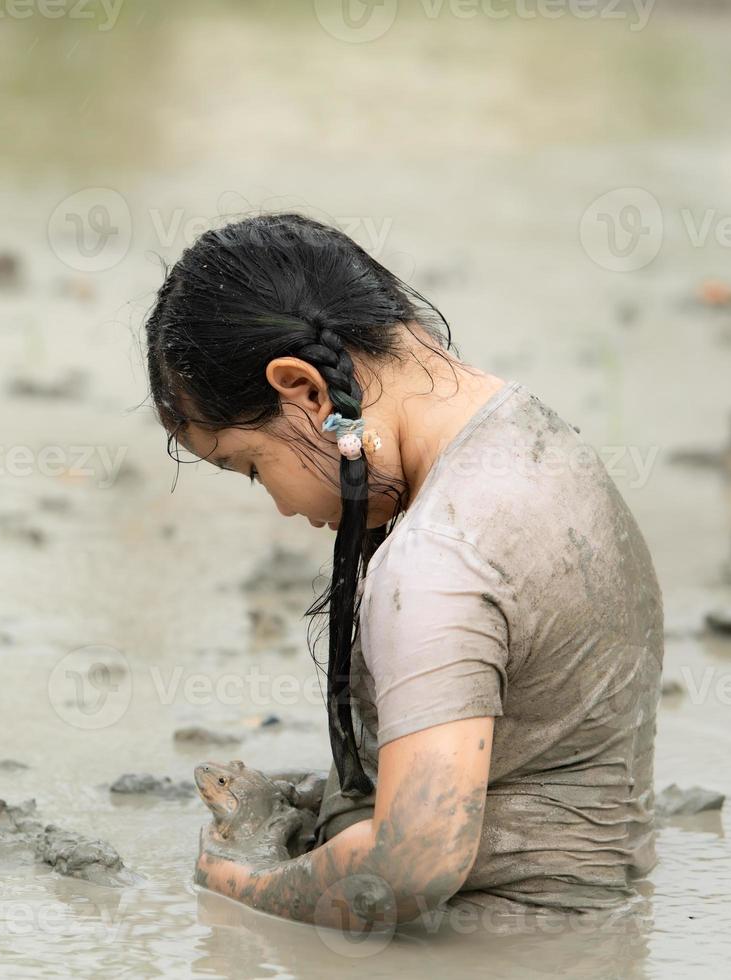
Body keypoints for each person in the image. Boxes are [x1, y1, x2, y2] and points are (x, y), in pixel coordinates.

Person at [143, 214, 662, 930]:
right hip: (604, 930)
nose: (282, 508)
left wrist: (241, 889)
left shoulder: (435, 561)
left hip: (493, 950)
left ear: (306, 391)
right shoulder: (535, 438)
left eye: (249, 467)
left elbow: (415, 862)